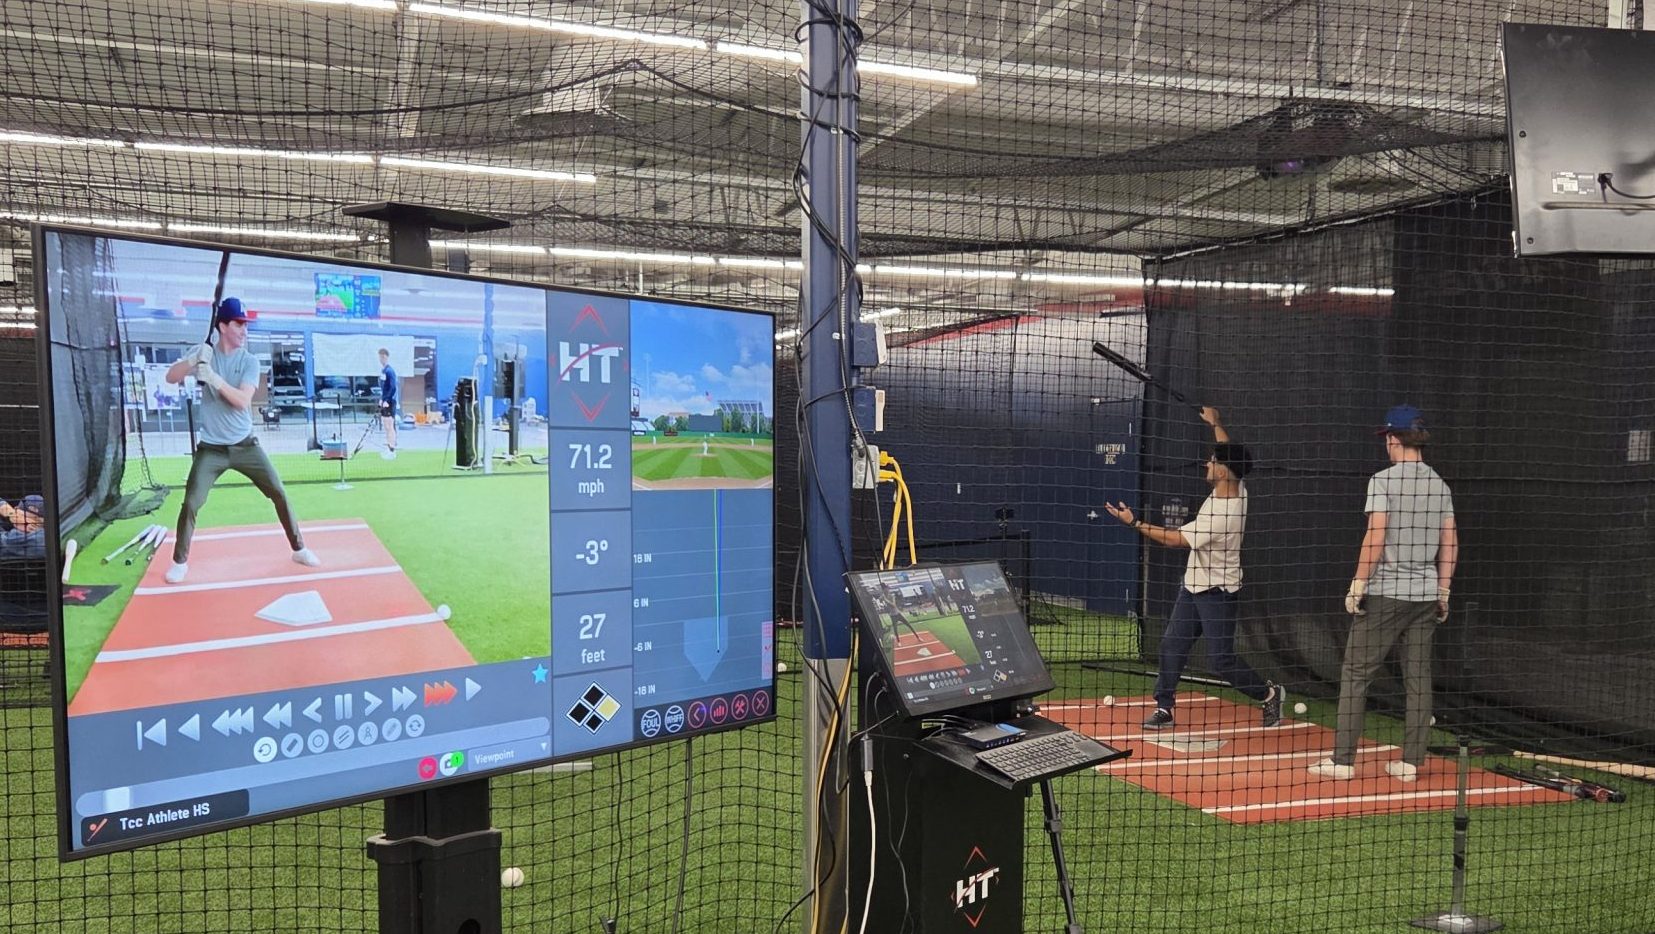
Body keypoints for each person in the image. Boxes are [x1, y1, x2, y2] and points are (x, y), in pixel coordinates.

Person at [1106, 407, 1284, 730]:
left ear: (1223, 472)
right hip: (1192, 586)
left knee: (1221, 660)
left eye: (1213, 462)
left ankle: (1269, 694)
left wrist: (1134, 522)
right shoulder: (1235, 485)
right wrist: (1216, 423)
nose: (1207, 464)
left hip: (1218, 593)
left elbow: (1175, 540)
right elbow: (1228, 450)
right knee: (1172, 645)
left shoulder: (1223, 516)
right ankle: (1164, 708)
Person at [1311, 405, 1457, 783]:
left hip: (1387, 593)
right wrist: (1443, 591)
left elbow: (1375, 535)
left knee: (1356, 673)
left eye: (1387, 438)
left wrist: (1357, 584)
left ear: (1394, 438)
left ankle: (1342, 762)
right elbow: (1450, 542)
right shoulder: (1440, 485)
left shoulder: (1383, 481)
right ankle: (1410, 764)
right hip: (1425, 596)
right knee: (1418, 678)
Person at [163, 298, 319, 584]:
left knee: (278, 491)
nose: (244, 330)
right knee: (191, 502)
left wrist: (213, 378)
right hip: (211, 450)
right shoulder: (204, 353)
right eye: (238, 324)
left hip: (246, 445)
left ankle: (299, 549)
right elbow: (170, 377)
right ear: (223, 326)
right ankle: (179, 562)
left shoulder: (249, 361)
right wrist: (192, 361)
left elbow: (242, 401)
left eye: (245, 325)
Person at [0, 494, 46, 559]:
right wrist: (12, 514)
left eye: (34, 522)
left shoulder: (13, 538)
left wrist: (11, 514)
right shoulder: (52, 536)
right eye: (23, 518)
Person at [377, 347, 399, 460]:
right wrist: (382, 399)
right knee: (386, 426)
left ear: (386, 357)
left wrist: (386, 400)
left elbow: (393, 387)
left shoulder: (390, 371)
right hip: (385, 401)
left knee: (390, 426)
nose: (381, 359)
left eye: (383, 357)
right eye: (380, 357)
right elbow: (384, 388)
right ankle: (389, 447)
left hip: (390, 402)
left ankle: (392, 449)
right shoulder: (383, 371)